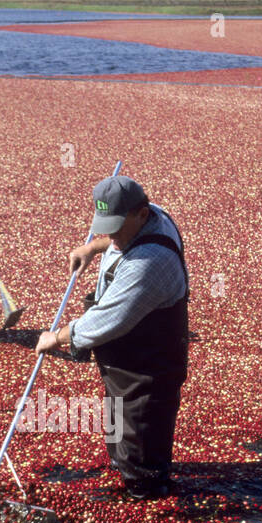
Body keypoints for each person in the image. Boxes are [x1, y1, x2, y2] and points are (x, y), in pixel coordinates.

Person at [35, 175, 189, 500]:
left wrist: (58, 338)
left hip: (148, 369)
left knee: (142, 452)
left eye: (117, 226)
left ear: (142, 214)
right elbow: (121, 241)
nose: (112, 236)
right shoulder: (149, 218)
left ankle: (147, 494)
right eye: (105, 226)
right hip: (124, 365)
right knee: (119, 435)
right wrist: (93, 247)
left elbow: (107, 320)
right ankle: (127, 471)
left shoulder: (151, 263)